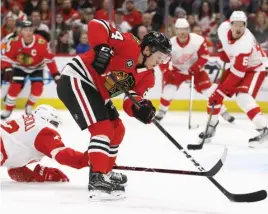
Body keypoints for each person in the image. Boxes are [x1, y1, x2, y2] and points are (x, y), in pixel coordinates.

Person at [56, 19, 171, 200]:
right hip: (78, 78)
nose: (161, 61)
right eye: (160, 56)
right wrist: (102, 47)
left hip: (99, 92)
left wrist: (141, 109)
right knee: (102, 128)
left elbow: (131, 100)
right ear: (147, 50)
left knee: (117, 129)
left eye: (165, 58)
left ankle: (104, 172)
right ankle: (97, 180)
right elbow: (97, 24)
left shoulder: (149, 77)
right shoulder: (129, 43)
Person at [199, 11, 268, 148]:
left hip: (255, 68)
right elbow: (222, 42)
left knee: (242, 97)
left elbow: (238, 74)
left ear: (246, 26)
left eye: (242, 25)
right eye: (235, 24)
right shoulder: (223, 29)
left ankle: (264, 128)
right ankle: (211, 126)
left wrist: (222, 92)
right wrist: (221, 50)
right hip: (238, 66)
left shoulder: (245, 43)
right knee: (213, 92)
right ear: (230, 25)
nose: (238, 28)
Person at [155, 18, 234, 123]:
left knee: (209, 91)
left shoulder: (198, 40)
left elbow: (204, 56)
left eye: (185, 29)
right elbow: (162, 60)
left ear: (189, 30)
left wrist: (196, 67)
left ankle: (223, 111)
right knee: (169, 90)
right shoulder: (170, 44)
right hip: (178, 70)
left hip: (197, 70)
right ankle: (162, 111)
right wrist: (166, 72)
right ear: (176, 30)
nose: (182, 32)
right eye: (180, 29)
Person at [0, 105, 89, 182]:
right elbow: (62, 156)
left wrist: (41, 174)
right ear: (48, 120)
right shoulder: (43, 130)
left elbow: (15, 171)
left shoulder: (23, 128)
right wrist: (92, 158)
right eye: (55, 124)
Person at [1, 20, 60, 120]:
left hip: (37, 67)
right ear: (21, 31)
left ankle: (29, 106)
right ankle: (8, 110)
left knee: (38, 89)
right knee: (14, 88)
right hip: (20, 67)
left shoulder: (41, 42)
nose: (28, 32)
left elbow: (49, 59)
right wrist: (6, 68)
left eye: (30, 30)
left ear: (33, 31)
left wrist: (55, 74)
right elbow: (6, 58)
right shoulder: (14, 42)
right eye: (25, 30)